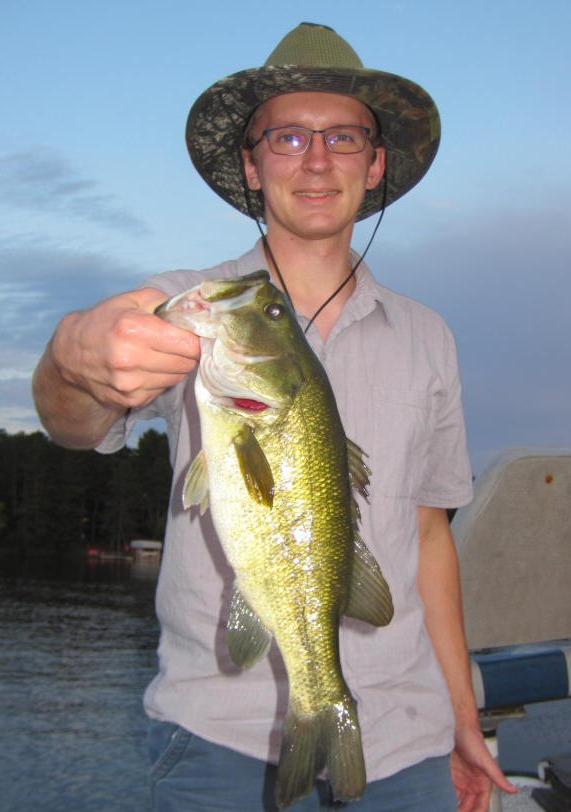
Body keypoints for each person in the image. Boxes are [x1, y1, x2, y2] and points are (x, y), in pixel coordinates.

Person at [32, 22, 517, 812]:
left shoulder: (429, 337)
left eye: (344, 137)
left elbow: (430, 539)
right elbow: (72, 425)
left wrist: (464, 715)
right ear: (253, 167)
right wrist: (72, 355)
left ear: (376, 163)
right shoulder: (195, 306)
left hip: (407, 736)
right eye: (288, 137)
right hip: (214, 737)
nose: (317, 160)